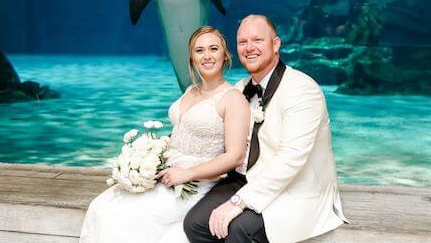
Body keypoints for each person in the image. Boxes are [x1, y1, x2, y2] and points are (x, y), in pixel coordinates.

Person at [184, 15, 348, 243]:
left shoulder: (302, 89)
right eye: (242, 42)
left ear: (276, 44)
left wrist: (238, 202)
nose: (249, 48)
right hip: (246, 178)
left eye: (257, 40)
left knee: (238, 229)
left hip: (294, 187)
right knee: (196, 224)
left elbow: (290, 159)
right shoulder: (241, 89)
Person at [80, 26, 250, 243]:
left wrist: (187, 174)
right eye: (199, 51)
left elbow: (234, 156)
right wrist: (147, 158)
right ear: (191, 58)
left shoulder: (233, 99)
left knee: (124, 216)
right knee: (101, 205)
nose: (206, 56)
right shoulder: (191, 90)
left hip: (195, 183)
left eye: (213, 49)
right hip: (165, 174)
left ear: (225, 55)